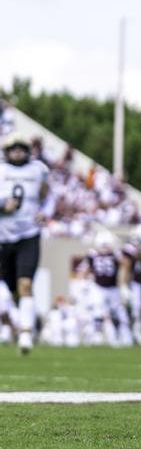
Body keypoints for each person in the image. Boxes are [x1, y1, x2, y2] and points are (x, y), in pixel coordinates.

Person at [0, 133, 53, 355]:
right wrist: (2, 207)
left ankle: (25, 334)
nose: (18, 152)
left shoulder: (38, 169)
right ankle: (8, 325)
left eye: (22, 148)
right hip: (3, 236)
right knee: (7, 292)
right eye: (14, 149)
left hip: (29, 234)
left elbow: (49, 195)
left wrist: (45, 213)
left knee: (26, 285)